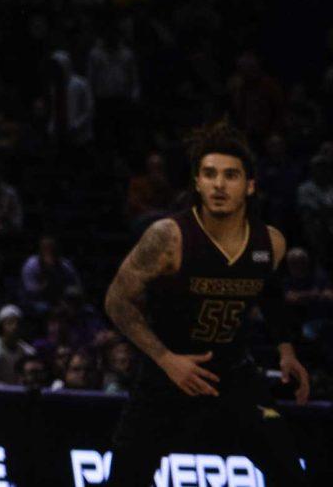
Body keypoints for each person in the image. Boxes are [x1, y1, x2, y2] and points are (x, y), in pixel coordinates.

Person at [100, 124, 308, 484]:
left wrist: (287, 350)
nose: (219, 184)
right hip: (167, 374)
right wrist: (166, 360)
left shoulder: (269, 242)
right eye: (209, 174)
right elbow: (116, 301)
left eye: (231, 175)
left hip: (233, 373)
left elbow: (269, 292)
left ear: (250, 185)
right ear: (197, 182)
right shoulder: (169, 237)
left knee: (290, 472)